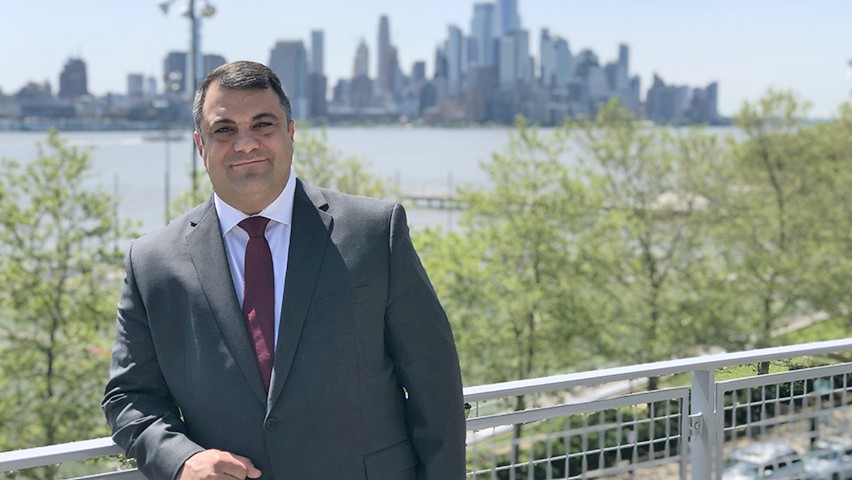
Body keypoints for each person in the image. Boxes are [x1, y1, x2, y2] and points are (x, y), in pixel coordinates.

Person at [102, 60, 466, 480]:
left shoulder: (374, 233)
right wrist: (181, 459)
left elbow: (435, 388)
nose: (245, 144)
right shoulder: (152, 263)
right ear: (201, 147)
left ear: (290, 133)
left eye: (263, 124)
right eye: (224, 130)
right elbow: (129, 396)